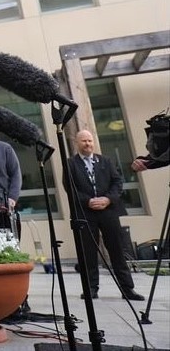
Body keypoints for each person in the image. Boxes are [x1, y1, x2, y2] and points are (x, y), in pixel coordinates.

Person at [68, 129, 144, 301]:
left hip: (108, 211)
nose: (87, 144)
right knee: (88, 252)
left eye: (90, 140)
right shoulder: (71, 164)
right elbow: (70, 189)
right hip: (86, 213)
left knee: (117, 249)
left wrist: (108, 199)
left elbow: (117, 182)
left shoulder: (106, 161)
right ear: (77, 143)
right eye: (83, 141)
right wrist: (88, 201)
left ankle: (127, 289)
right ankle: (91, 289)